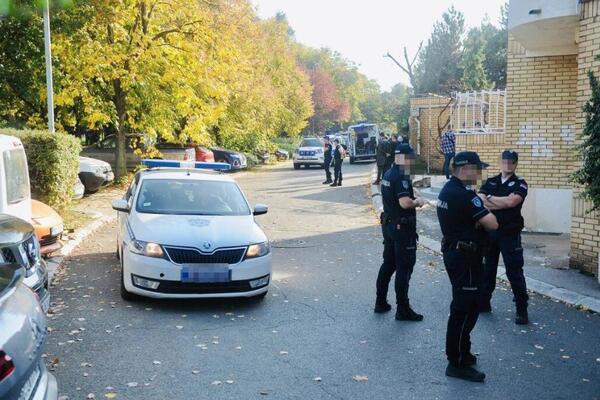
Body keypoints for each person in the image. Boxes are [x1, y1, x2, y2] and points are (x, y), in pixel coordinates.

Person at [436, 151, 498, 383]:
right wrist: (483, 204)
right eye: (477, 168)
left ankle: (464, 351)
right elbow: (492, 223)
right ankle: (457, 362)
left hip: (457, 254)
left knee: (469, 306)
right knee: (464, 309)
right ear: (466, 168)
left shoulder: (448, 190)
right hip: (466, 258)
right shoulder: (463, 195)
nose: (480, 173)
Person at [375, 143, 425, 321]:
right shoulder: (401, 176)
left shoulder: (388, 173)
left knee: (388, 264)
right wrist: (418, 201)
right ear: (403, 157)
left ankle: (380, 302)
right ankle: (403, 309)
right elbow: (405, 203)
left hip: (389, 225)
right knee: (404, 268)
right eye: (410, 157)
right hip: (402, 229)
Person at [478, 150, 529, 325]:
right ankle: (484, 303)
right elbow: (480, 201)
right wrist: (500, 202)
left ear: (516, 164)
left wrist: (491, 199)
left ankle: (522, 309)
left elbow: (512, 202)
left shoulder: (520, 183)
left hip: (510, 234)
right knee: (487, 270)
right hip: (490, 233)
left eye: (512, 162)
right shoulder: (491, 181)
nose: (508, 164)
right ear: (500, 162)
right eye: (505, 161)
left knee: (514, 272)